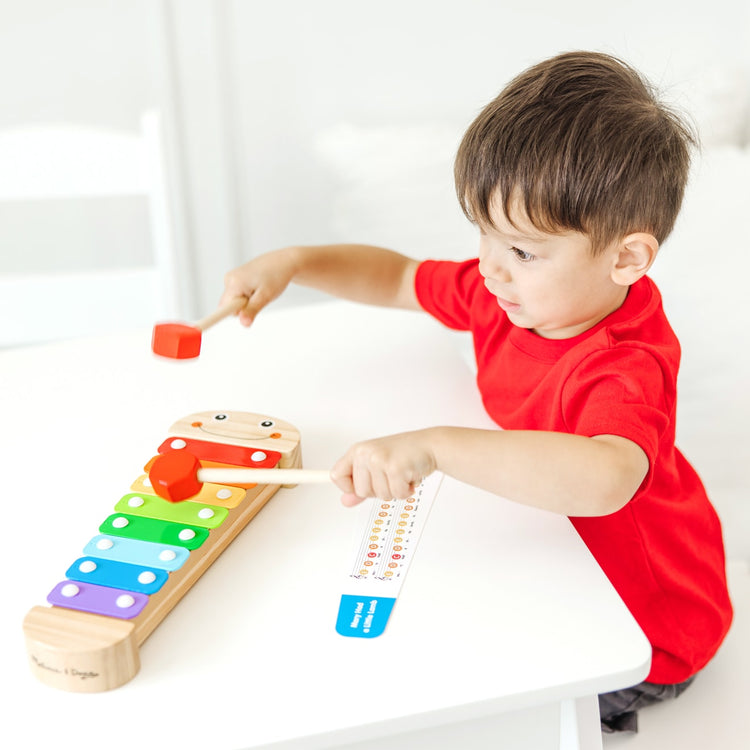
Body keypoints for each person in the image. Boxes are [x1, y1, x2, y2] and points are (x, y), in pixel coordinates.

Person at [221, 51, 733, 733]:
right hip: (550, 548)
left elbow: (606, 479)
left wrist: (437, 447)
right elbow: (401, 278)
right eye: (483, 234)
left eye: (521, 250)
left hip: (651, 621)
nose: (490, 266)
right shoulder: (512, 292)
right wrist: (297, 262)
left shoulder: (622, 363)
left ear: (627, 259)